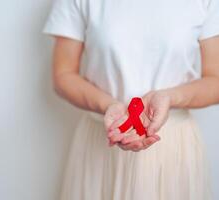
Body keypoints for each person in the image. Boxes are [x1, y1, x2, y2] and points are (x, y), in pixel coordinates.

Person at [42, 0, 219, 199]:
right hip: (102, 143)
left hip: (174, 149)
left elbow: (215, 80)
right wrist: (108, 105)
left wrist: (170, 97)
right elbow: (63, 75)